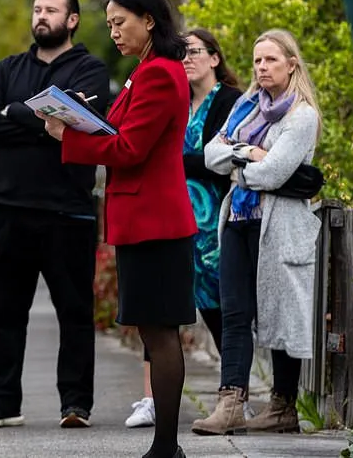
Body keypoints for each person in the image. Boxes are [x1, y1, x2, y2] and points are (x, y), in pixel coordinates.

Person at [39, 0, 195, 458]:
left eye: (120, 22)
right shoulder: (143, 70)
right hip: (142, 218)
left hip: (157, 221)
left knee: (161, 333)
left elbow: (131, 148)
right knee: (154, 330)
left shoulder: (160, 74)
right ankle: (165, 446)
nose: (114, 33)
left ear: (148, 19)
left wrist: (68, 136)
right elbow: (124, 132)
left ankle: (167, 446)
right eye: (108, 25)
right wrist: (87, 121)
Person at [0, 0, 110, 430]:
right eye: (36, 9)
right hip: (10, 208)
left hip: (68, 211)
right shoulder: (9, 67)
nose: (41, 16)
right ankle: (2, 403)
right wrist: (42, 119)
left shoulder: (90, 69)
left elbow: (81, 122)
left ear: (72, 20)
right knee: (7, 314)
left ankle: (76, 404)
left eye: (51, 9)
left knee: (74, 312)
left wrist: (17, 115)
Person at [193, 28, 322, 436]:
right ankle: (231, 403)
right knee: (234, 313)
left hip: (280, 226)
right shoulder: (246, 106)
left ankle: (284, 406)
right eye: (257, 60)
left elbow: (275, 172)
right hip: (238, 221)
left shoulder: (302, 115)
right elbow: (211, 154)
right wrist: (247, 152)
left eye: (270, 60)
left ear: (291, 64)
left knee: (283, 314)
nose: (261, 67)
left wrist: (239, 165)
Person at [126, 28, 243, 429]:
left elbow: (219, 158)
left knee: (215, 308)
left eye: (195, 52)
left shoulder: (229, 101)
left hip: (211, 225)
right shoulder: (177, 98)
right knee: (159, 315)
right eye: (182, 53)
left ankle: (233, 395)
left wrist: (171, 160)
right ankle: (151, 399)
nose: (187, 59)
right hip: (171, 218)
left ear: (215, 58)